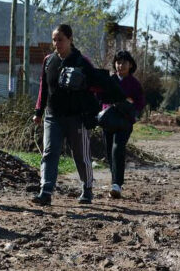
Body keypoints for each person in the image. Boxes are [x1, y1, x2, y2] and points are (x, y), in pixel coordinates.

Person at [31, 24, 123, 206]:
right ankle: (46, 190)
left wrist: (83, 84)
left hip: (76, 117)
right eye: (54, 40)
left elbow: (98, 84)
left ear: (70, 39)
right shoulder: (49, 61)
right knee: (49, 153)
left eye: (61, 40)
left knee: (81, 155)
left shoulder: (81, 61)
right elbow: (44, 88)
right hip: (53, 116)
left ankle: (87, 189)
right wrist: (38, 112)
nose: (57, 43)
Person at [103, 51, 145, 199]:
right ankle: (115, 180)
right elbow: (100, 98)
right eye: (118, 62)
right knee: (109, 152)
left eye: (124, 62)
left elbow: (140, 103)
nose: (121, 65)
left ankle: (116, 184)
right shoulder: (109, 80)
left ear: (131, 65)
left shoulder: (134, 84)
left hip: (125, 121)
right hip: (108, 120)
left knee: (118, 148)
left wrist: (130, 103)